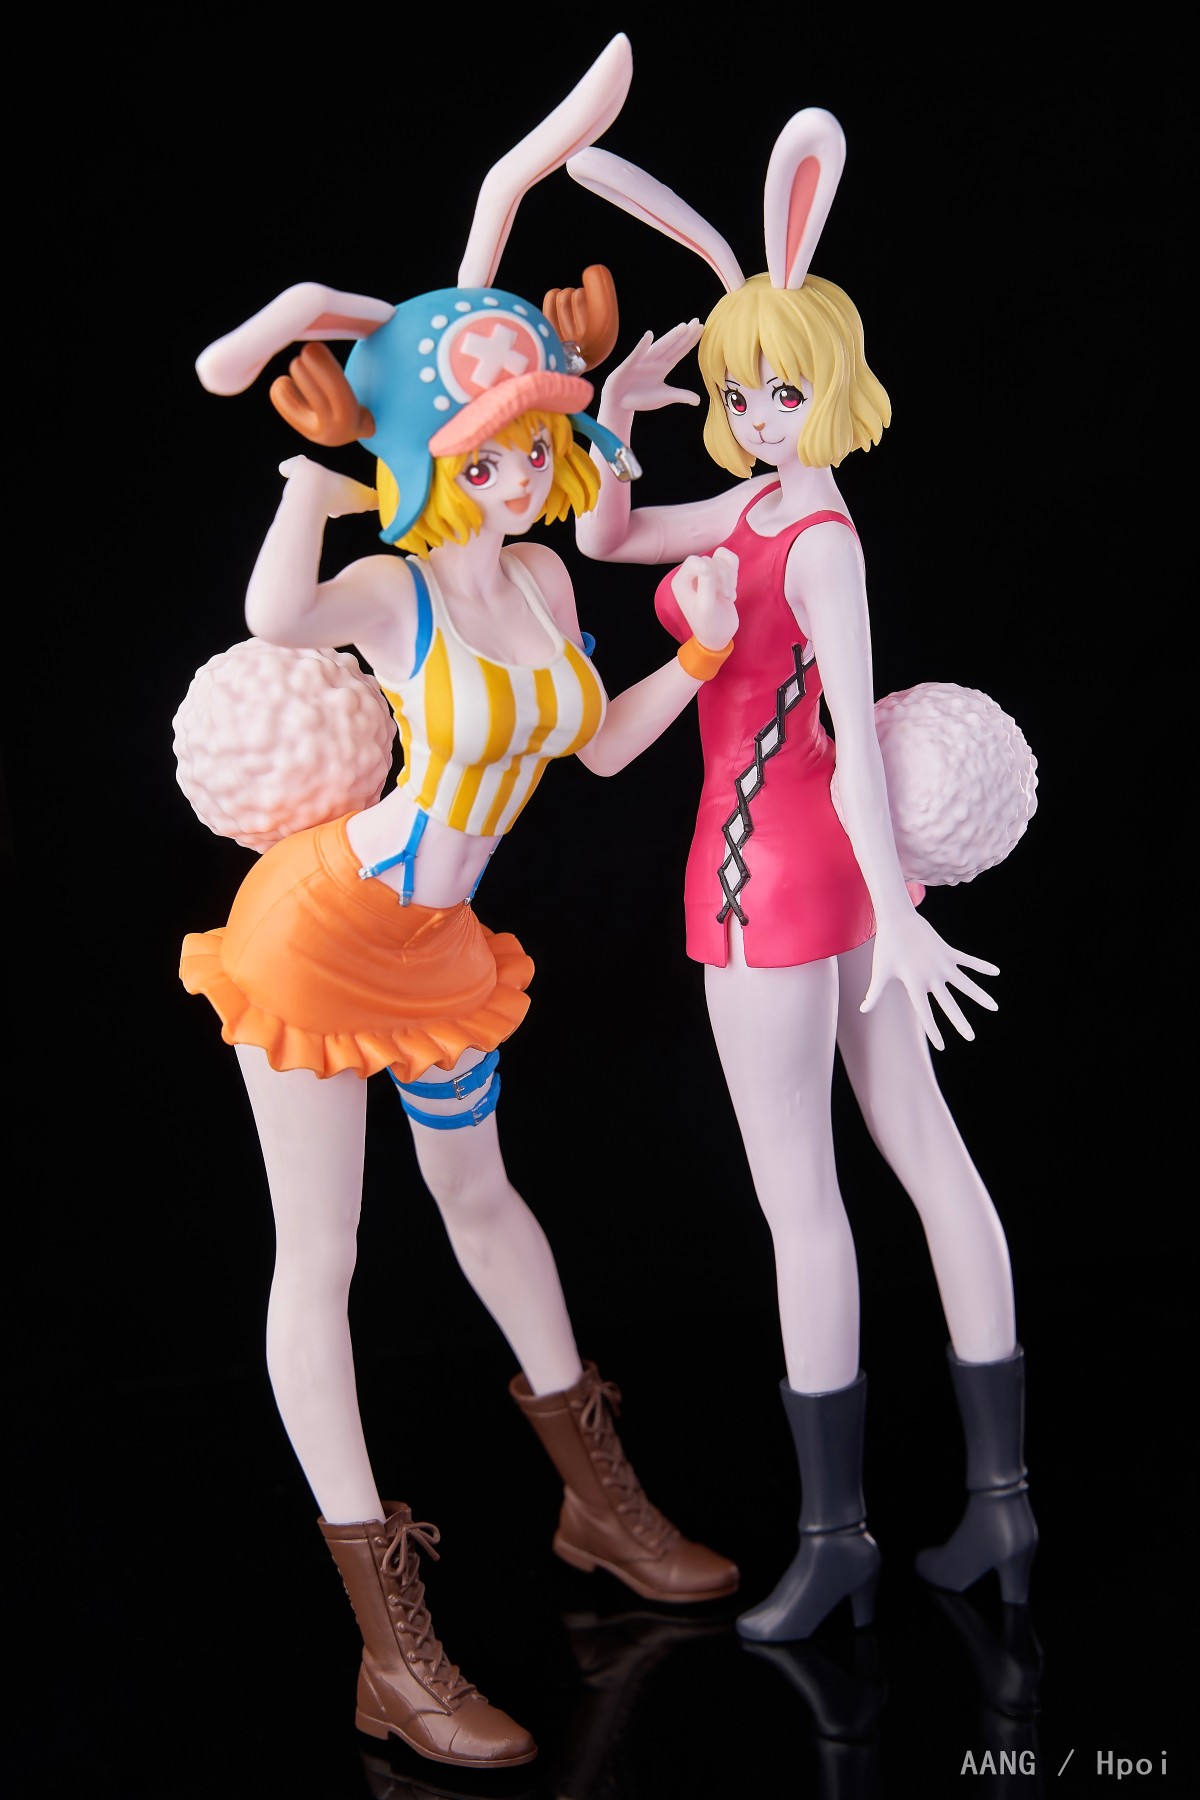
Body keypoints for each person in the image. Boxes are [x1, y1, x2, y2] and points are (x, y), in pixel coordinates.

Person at [175, 39, 739, 1773]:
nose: (516, 474)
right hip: (320, 936)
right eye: (485, 452)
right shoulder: (397, 588)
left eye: (532, 445)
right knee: (325, 1259)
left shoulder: (552, 584)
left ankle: (599, 1508)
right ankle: (390, 1648)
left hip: (437, 952)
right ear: (434, 453)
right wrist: (308, 479)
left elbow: (603, 742)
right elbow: (274, 622)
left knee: (486, 1199)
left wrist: (700, 652)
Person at [565, 107, 1038, 1642]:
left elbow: (844, 730)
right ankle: (997, 1511)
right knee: (919, 1156)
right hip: (806, 872)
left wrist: (897, 913)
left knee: (809, 1202)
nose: (760, 413)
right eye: (739, 391)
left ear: (831, 380)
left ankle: (842, 1537)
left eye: (783, 388)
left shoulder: (817, 532)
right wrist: (614, 414)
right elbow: (613, 535)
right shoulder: (770, 503)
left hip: (770, 880)